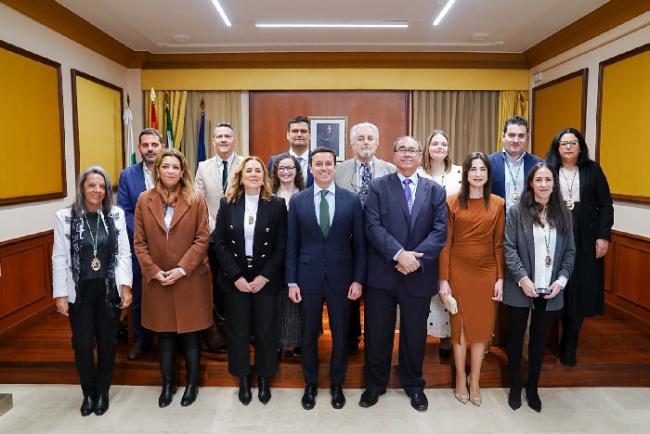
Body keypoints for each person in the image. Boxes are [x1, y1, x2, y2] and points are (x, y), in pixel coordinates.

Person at [361, 136, 447, 412]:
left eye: (413, 149)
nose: (407, 154)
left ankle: (413, 385)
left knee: (414, 335)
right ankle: (375, 385)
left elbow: (439, 231)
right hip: (383, 274)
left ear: (421, 156)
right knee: (377, 334)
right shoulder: (376, 187)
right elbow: (372, 226)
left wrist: (414, 259)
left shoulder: (435, 191)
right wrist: (399, 255)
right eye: (401, 149)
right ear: (393, 154)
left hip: (418, 274)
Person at [286, 147, 366, 410]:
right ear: (310, 168)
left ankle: (336, 384)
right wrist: (291, 281)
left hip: (342, 278)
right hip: (306, 278)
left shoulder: (351, 200)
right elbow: (292, 245)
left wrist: (357, 280)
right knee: (308, 335)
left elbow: (360, 246)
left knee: (341, 335)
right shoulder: (298, 201)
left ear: (335, 167)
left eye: (328, 163)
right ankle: (310, 385)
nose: (323, 168)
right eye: (318, 164)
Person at [134, 149, 212, 408]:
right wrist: (154, 271)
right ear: (157, 170)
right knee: (164, 335)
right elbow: (139, 242)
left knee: (191, 335)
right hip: (158, 280)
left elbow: (202, 239)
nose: (170, 171)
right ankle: (168, 384)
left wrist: (182, 269)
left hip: (189, 279)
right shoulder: (144, 200)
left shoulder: (196, 199)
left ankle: (192, 384)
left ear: (182, 172)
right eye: (165, 166)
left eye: (175, 167)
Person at [52, 166, 133, 416]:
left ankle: (102, 392)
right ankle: (88, 392)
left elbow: (123, 254)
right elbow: (59, 255)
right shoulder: (64, 216)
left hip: (108, 291)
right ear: (82, 188)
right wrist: (60, 293)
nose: (97, 190)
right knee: (83, 344)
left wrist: (126, 287)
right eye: (91, 185)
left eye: (102, 186)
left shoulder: (115, 215)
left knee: (107, 344)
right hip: (81, 292)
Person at [212, 156, 288, 406]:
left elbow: (281, 245)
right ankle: (243, 379)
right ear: (240, 177)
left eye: (258, 170)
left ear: (264, 176)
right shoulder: (227, 203)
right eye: (249, 171)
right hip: (236, 278)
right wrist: (236, 276)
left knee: (266, 331)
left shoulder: (276, 205)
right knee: (238, 332)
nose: (254, 174)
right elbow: (219, 243)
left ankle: (264, 378)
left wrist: (264, 276)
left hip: (266, 277)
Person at [503, 162, 575, 412]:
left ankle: (532, 387)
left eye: (548, 180)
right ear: (531, 183)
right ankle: (515, 384)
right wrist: (522, 278)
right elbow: (509, 249)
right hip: (520, 286)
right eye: (539, 180)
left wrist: (561, 281)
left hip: (551, 289)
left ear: (554, 184)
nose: (543, 184)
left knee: (538, 340)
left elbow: (570, 252)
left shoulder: (564, 214)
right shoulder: (516, 211)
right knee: (515, 337)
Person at [438, 152, 505, 406]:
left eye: (482, 169)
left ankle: (475, 380)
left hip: (487, 272)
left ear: (488, 174)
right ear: (465, 174)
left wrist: (500, 278)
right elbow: (445, 243)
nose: (477, 173)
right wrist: (443, 279)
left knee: (480, 329)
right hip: (458, 270)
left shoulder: (498, 203)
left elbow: (499, 244)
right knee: (461, 328)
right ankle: (459, 378)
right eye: (473, 169)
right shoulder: (452, 202)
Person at [546, 128, 613, 367]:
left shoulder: (592, 170)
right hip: (555, 235)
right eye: (563, 143)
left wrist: (603, 236)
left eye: (572, 143)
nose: (567, 147)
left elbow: (605, 204)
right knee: (557, 288)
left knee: (580, 291)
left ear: (581, 146)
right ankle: (553, 338)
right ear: (556, 147)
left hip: (586, 238)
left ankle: (570, 342)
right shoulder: (549, 170)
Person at [334, 121, 396, 351]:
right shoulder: (338, 171)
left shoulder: (391, 170)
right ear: (352, 143)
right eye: (360, 138)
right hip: (347, 245)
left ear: (378, 143)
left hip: (381, 244)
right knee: (348, 295)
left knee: (377, 298)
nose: (365, 142)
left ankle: (375, 342)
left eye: (370, 138)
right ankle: (350, 341)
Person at [195, 122, 244, 352]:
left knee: (240, 282)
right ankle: (221, 331)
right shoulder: (203, 167)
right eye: (219, 137)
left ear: (235, 140)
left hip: (242, 236)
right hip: (213, 237)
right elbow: (199, 201)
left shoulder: (246, 163)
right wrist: (214, 227)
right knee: (218, 283)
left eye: (227, 136)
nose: (223, 140)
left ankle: (242, 329)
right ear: (213, 141)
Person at [117, 128, 163, 360]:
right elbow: (124, 211)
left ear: (162, 146)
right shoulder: (128, 175)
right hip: (139, 247)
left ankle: (170, 340)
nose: (150, 149)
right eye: (145, 145)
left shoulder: (172, 170)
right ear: (139, 148)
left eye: (154, 144)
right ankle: (142, 340)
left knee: (169, 293)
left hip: (169, 247)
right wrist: (143, 235)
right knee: (140, 296)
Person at [417, 129, 462, 358]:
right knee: (426, 288)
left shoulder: (460, 173)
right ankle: (421, 334)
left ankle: (446, 337)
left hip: (453, 238)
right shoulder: (417, 173)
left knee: (447, 286)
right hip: (424, 237)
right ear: (427, 148)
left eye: (443, 144)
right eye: (435, 143)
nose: (440, 147)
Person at [270, 155, 306, 358]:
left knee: (299, 299)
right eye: (281, 168)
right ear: (275, 172)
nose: (285, 171)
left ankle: (299, 342)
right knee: (278, 300)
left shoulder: (305, 193)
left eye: (290, 167)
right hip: (275, 254)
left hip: (301, 253)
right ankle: (279, 341)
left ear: (297, 170)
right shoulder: (269, 195)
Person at [489, 116, 542, 211]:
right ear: (503, 136)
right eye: (511, 135)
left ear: (527, 138)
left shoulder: (539, 165)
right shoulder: (489, 163)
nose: (516, 140)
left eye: (521, 136)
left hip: (528, 222)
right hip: (497, 222)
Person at [268, 115, 314, 186]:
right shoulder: (275, 161)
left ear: (310, 135)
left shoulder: (317, 160)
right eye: (295, 131)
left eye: (303, 131)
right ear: (288, 135)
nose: (299, 134)